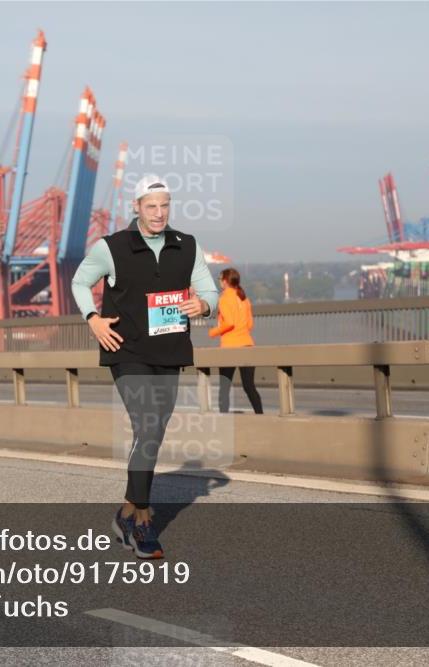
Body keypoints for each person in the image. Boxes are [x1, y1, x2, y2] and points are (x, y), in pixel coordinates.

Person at [71, 174, 219, 559]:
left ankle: (125, 513)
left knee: (152, 430)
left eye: (164, 205)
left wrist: (204, 305)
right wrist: (93, 319)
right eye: (151, 206)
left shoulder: (186, 245)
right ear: (136, 207)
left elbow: (209, 290)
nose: (158, 213)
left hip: (170, 350)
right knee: (149, 424)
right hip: (127, 350)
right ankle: (142, 521)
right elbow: (79, 283)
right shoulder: (111, 247)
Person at [209, 268, 264, 414]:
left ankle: (223, 418)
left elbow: (230, 323)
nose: (220, 282)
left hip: (230, 347)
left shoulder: (224, 299)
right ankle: (260, 415)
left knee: (225, 386)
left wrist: (213, 332)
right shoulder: (244, 298)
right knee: (249, 386)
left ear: (225, 281)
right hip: (247, 344)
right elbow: (250, 324)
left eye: (220, 279)